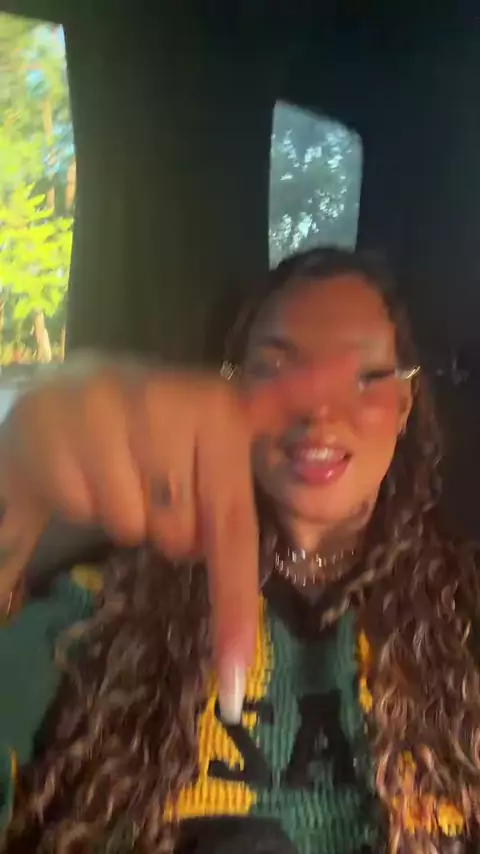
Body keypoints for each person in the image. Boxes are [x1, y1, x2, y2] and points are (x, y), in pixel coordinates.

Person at [0, 247, 477, 854]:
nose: (318, 412)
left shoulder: (466, 614)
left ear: (405, 405)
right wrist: (11, 494)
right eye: (276, 368)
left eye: (363, 377)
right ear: (229, 393)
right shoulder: (106, 607)